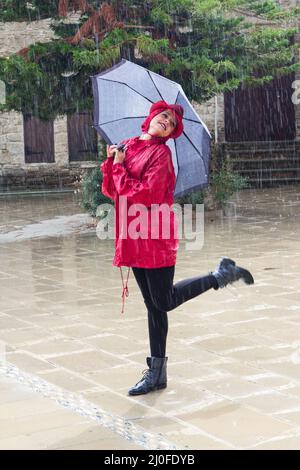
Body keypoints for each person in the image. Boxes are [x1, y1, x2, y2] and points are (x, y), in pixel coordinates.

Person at [100, 100, 254, 396]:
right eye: (164, 116)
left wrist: (119, 170)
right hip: (131, 233)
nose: (166, 122)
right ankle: (157, 374)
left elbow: (145, 195)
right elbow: (111, 191)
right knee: (153, 306)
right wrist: (111, 163)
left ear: (171, 133)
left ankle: (221, 275)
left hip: (155, 234)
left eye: (171, 123)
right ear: (152, 115)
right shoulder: (128, 145)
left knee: (165, 300)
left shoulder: (161, 155)